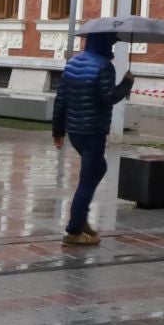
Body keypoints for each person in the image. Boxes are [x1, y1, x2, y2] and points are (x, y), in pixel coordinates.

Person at [52, 32, 133, 247]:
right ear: (104, 44)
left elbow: (61, 98)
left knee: (99, 168)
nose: (113, 49)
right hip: (94, 131)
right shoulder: (104, 66)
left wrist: (57, 130)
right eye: (111, 44)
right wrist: (126, 83)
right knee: (87, 180)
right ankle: (73, 230)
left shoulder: (73, 63)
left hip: (75, 131)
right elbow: (109, 97)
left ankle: (81, 218)